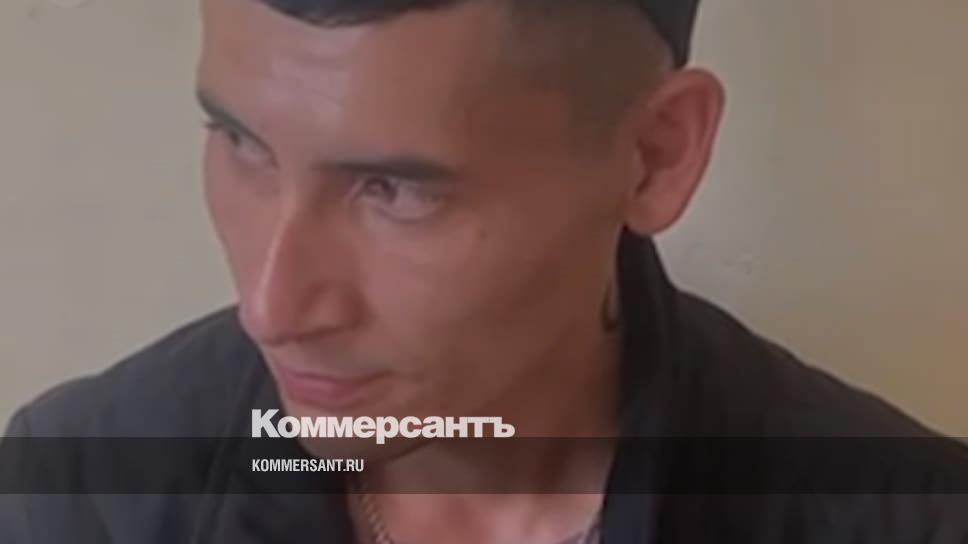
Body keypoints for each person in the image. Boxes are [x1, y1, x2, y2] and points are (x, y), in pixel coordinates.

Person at [2, 0, 967, 542]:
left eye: (393, 190)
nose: (270, 306)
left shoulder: (907, 519)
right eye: (241, 143)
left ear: (655, 154)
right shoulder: (83, 493)